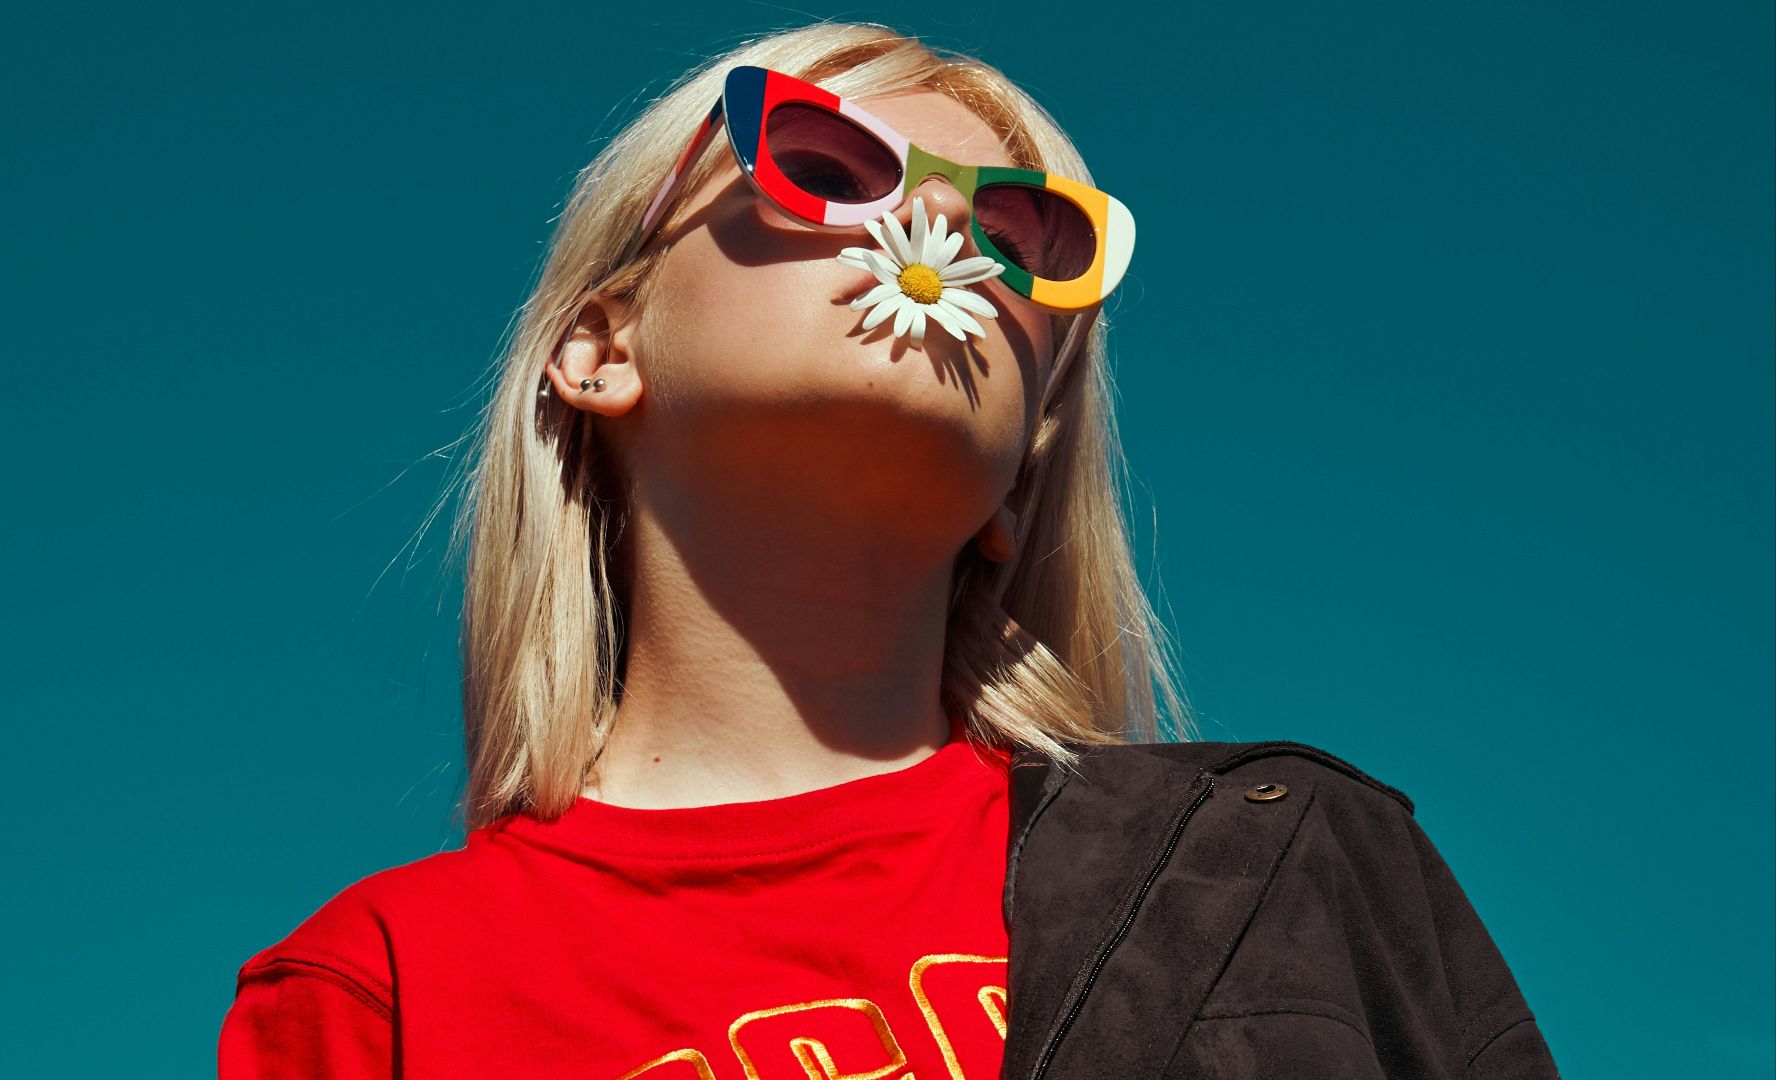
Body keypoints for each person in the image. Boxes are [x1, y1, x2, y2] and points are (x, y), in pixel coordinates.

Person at [217, 22, 1560, 1079]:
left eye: (1027, 233)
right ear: (601, 347)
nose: (941, 245)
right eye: (828, 161)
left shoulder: (1278, 871)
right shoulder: (380, 986)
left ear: (1032, 447)